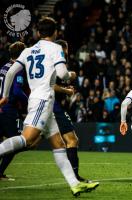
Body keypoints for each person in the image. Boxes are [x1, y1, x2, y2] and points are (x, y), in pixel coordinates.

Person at [0, 17, 99, 196]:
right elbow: (62, 73)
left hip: (39, 99)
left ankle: (74, 184)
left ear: (38, 33)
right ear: (55, 33)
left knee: (59, 144)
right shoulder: (55, 48)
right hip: (43, 100)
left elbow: (11, 73)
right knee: (27, 139)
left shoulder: (28, 51)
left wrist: (5, 96)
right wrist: (71, 75)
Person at [53, 39, 89, 182]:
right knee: (72, 140)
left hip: (51, 105)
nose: (67, 52)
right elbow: (51, 86)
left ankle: (74, 177)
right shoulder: (56, 63)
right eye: (65, 49)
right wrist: (66, 91)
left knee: (31, 141)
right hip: (52, 106)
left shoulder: (52, 62)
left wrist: (66, 90)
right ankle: (75, 177)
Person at [0, 42, 28, 181]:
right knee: (14, 144)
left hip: (0, 107)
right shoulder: (17, 69)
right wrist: (29, 102)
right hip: (8, 110)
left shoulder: (4, 67)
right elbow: (17, 91)